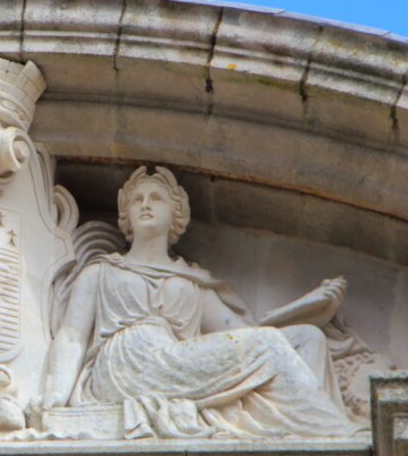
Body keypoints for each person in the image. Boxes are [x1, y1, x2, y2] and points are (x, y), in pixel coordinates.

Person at [42, 166, 361, 439]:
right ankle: (336, 429)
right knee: (268, 348)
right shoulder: (101, 271)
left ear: (175, 213)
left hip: (176, 361)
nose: (145, 205)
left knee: (308, 339)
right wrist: (56, 396)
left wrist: (307, 307)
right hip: (126, 366)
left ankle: (314, 435)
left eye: (156, 198)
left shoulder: (192, 283)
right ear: (125, 213)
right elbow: (71, 336)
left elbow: (244, 334)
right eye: (137, 200)